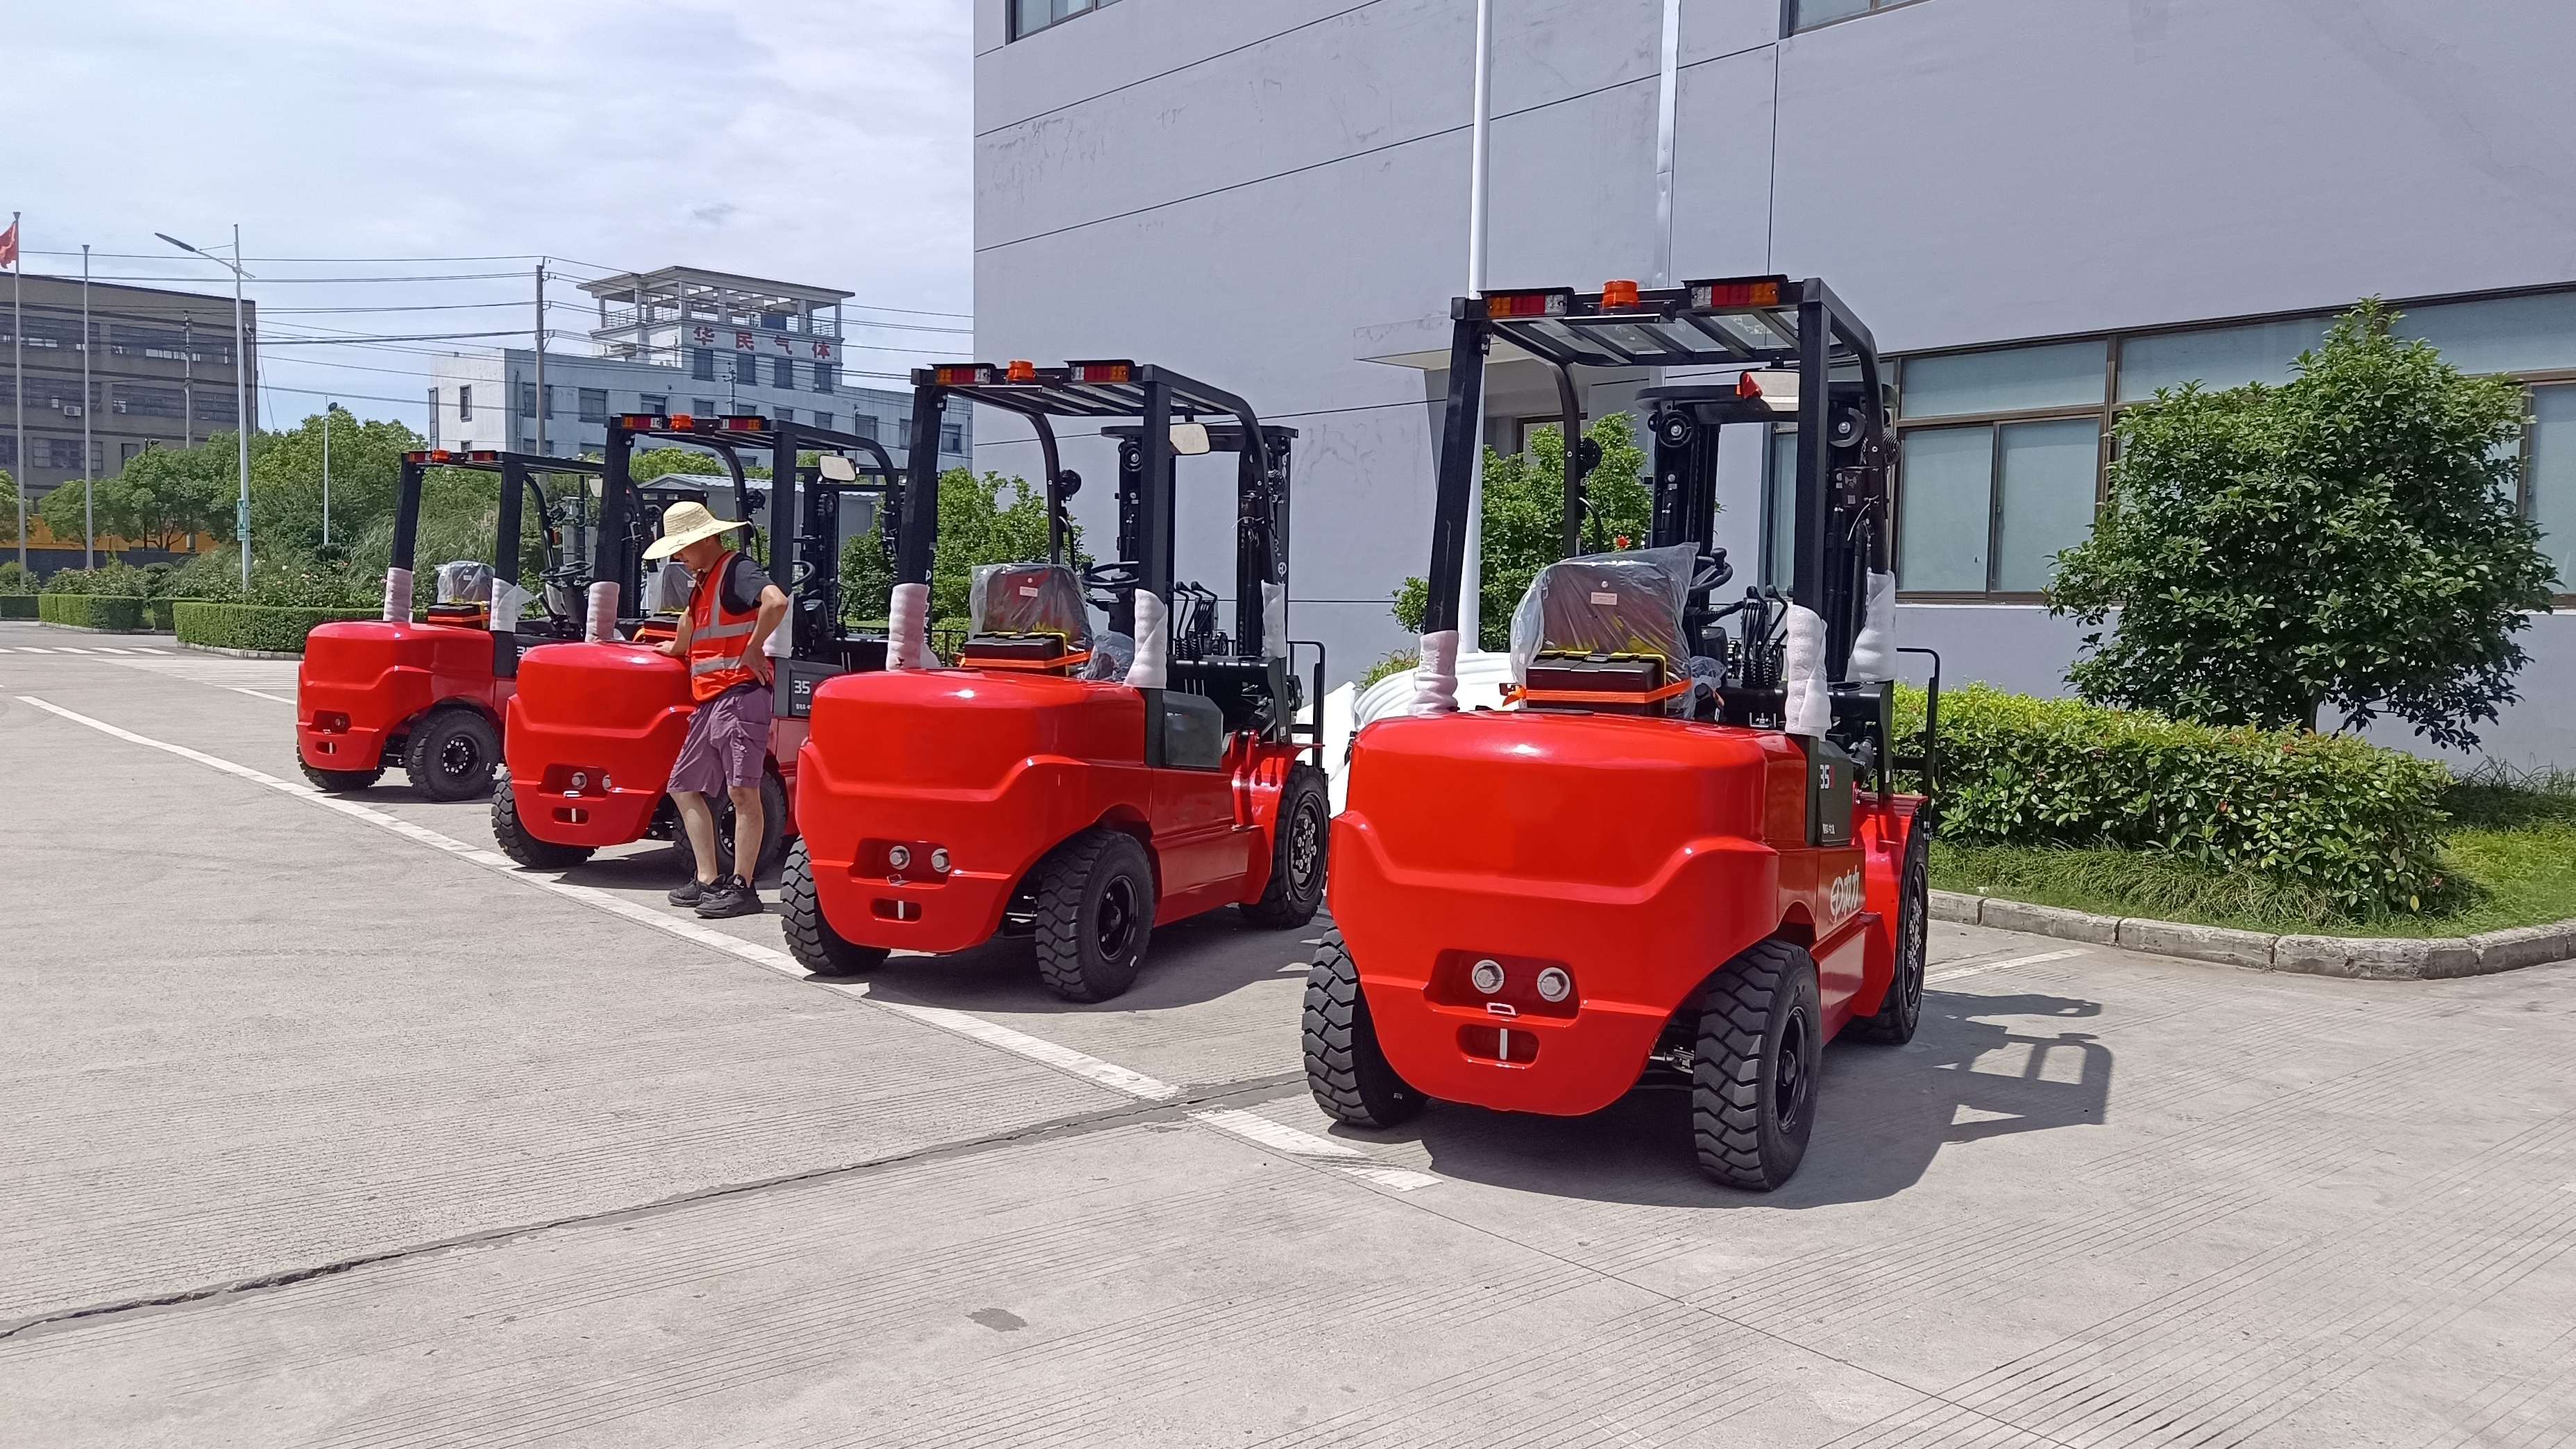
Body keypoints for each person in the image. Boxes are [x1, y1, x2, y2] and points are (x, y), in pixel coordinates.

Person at [641, 500, 791, 920]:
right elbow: (692, 621)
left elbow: (776, 602)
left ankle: (742, 887)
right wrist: (675, 648)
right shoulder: (704, 579)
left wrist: (754, 647)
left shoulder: (737, 570)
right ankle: (707, 879)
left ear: (706, 539)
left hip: (740, 696)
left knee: (743, 792)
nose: (678, 556)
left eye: (683, 548)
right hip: (711, 699)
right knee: (683, 786)